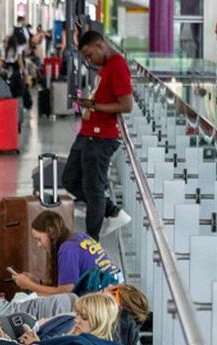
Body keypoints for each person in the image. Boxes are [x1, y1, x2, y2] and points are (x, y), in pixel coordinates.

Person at [63, 31, 132, 240]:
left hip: (102, 137)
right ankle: (111, 210)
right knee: (70, 179)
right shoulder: (106, 67)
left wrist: (94, 105)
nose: (88, 60)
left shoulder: (118, 66)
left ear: (100, 46)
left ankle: (91, 242)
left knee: (94, 190)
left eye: (89, 54)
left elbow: (126, 105)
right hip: (88, 133)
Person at [12, 210, 123, 295]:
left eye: (39, 239)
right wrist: (37, 282)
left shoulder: (67, 249)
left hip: (106, 296)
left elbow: (66, 293)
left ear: (50, 232)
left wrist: (30, 285)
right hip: (116, 288)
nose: (39, 245)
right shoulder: (79, 237)